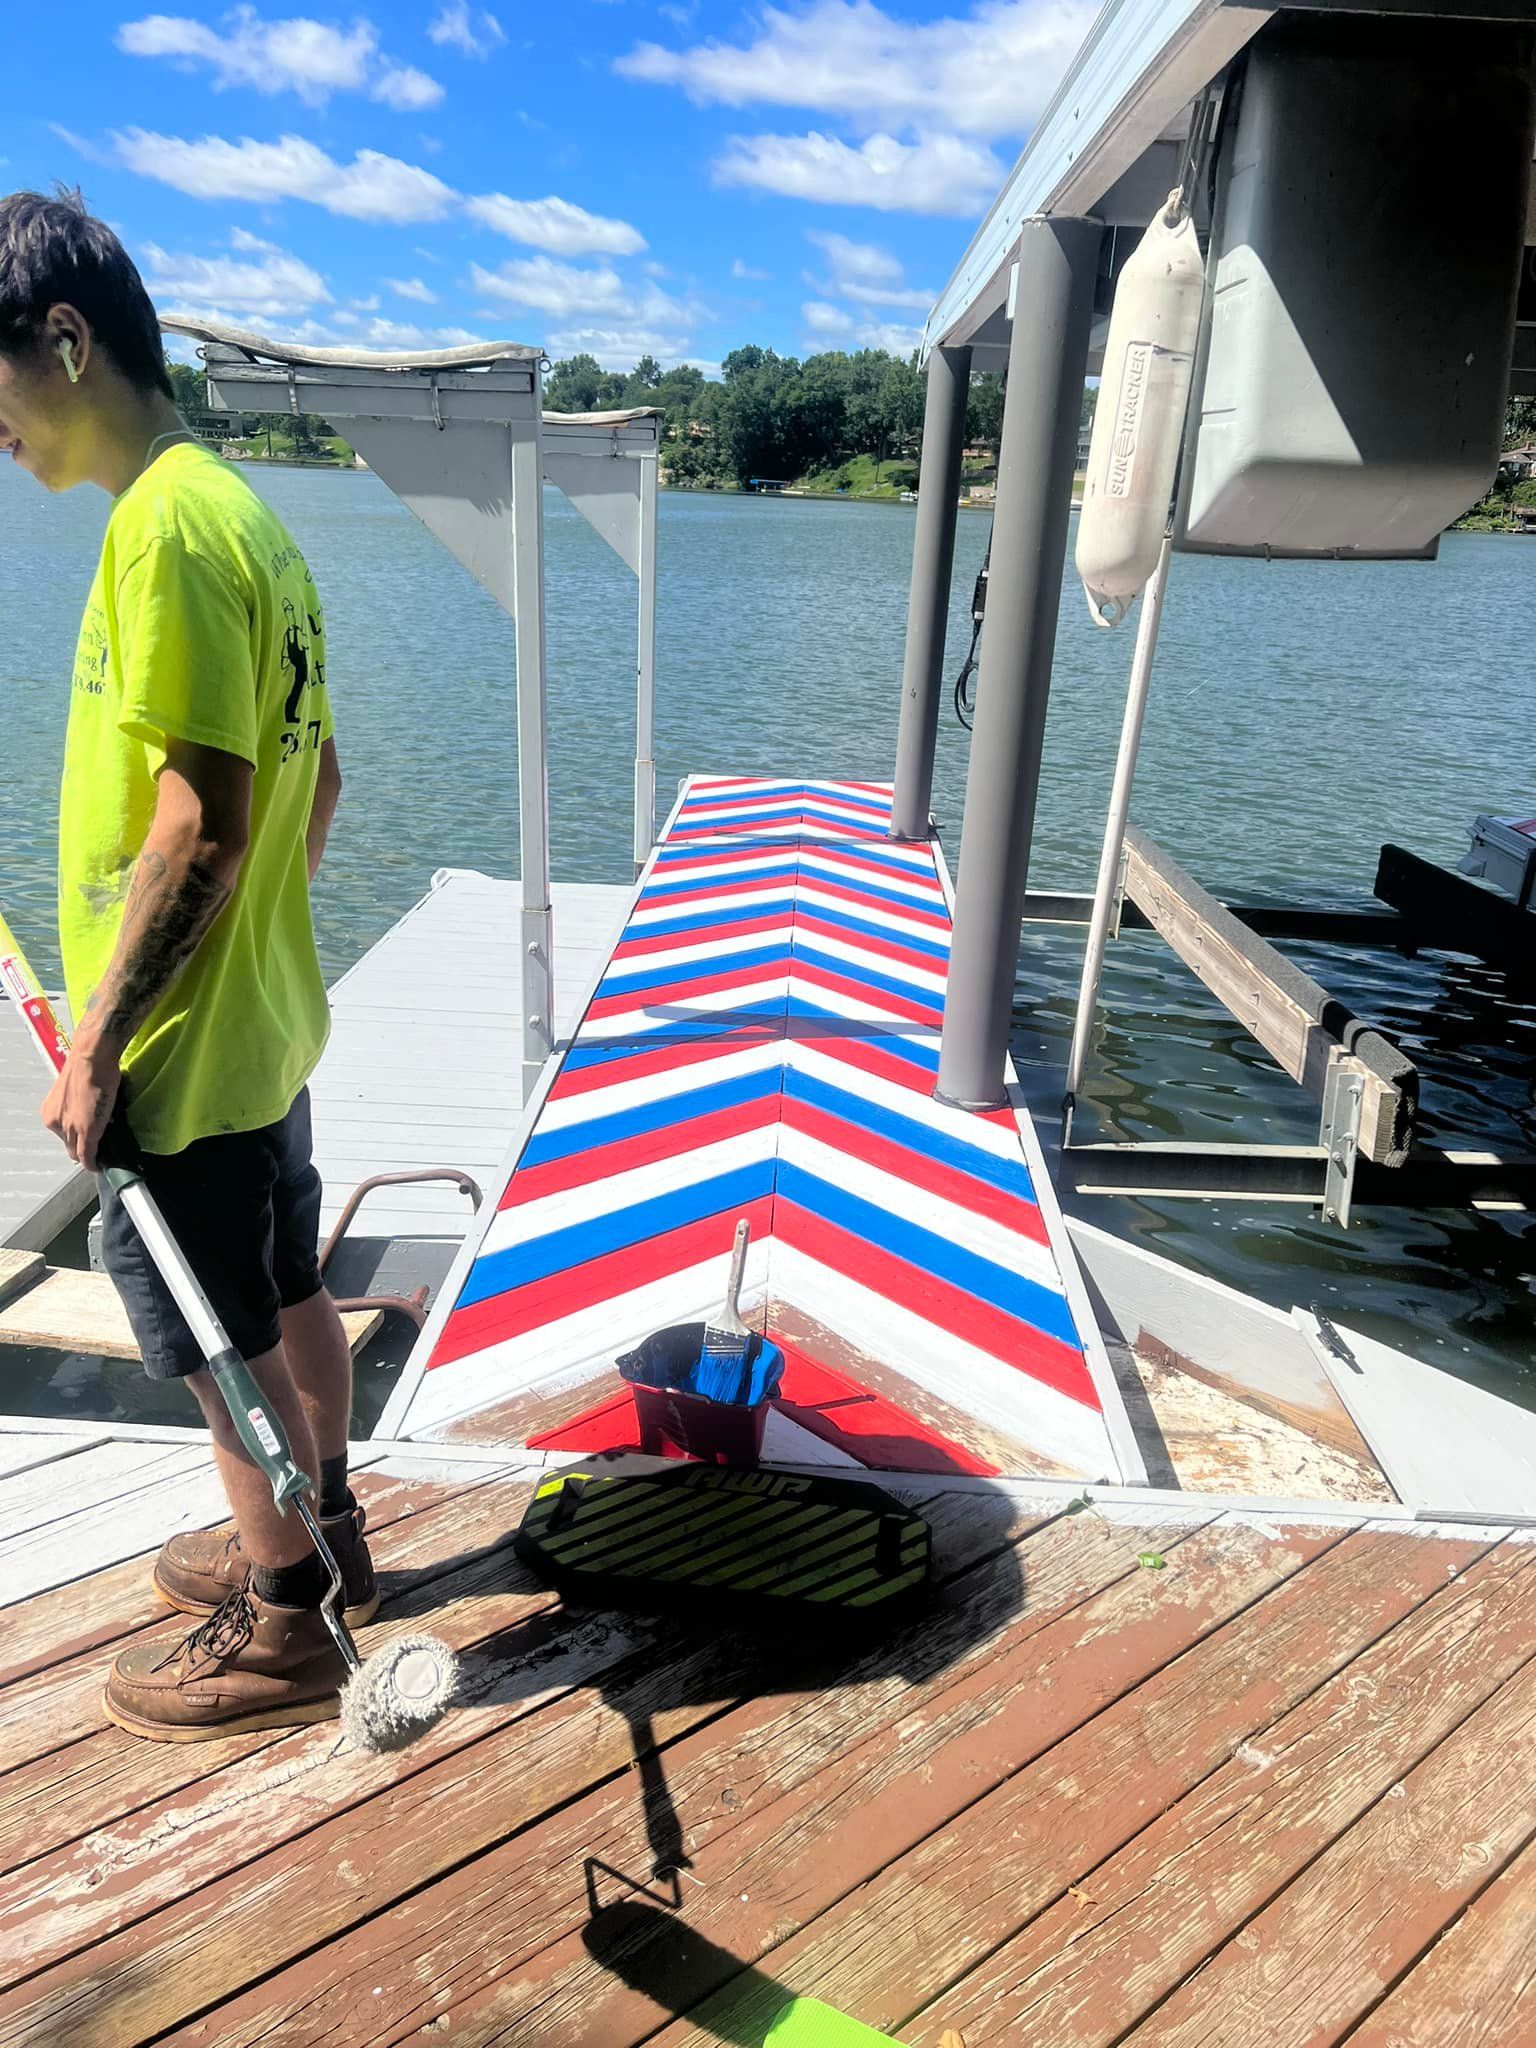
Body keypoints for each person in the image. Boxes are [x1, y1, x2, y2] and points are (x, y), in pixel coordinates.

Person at [0, 188, 375, 1741]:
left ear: (66, 342)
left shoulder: (159, 525)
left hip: (176, 1062)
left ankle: (287, 1618)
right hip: (264, 1030)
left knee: (207, 1340)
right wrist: (246, 957)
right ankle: (327, 1522)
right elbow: (322, 784)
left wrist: (97, 1046)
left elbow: (202, 830)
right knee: (285, 1287)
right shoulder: (248, 518)